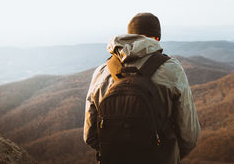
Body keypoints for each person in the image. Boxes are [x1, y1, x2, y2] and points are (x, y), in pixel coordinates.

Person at [83, 12, 201, 164]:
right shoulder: (172, 70)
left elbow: (89, 136)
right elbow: (189, 136)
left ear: (130, 36)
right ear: (157, 39)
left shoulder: (101, 72)